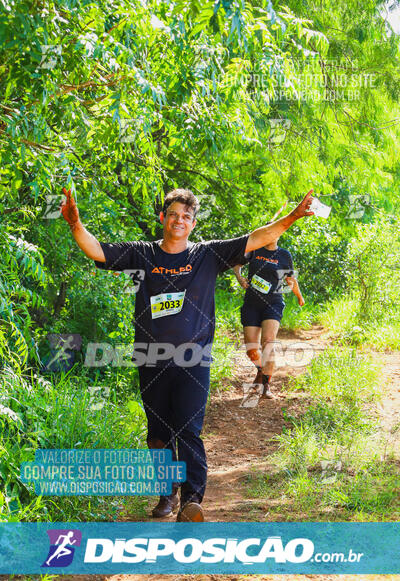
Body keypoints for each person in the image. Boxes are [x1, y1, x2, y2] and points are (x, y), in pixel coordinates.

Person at [60, 186, 314, 522]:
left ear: (193, 224)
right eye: (174, 214)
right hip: (151, 358)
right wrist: (76, 224)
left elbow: (257, 237)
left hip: (194, 359)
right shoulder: (143, 254)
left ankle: (191, 501)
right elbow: (98, 251)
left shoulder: (207, 255)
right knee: (158, 434)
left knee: (188, 430)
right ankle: (167, 495)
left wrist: (294, 216)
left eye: (187, 216)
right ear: (163, 218)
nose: (180, 220)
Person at [233, 227, 305, 401]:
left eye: (276, 231)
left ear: (279, 234)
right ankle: (260, 370)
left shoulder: (284, 255)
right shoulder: (255, 249)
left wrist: (299, 297)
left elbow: (290, 280)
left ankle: (265, 386)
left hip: (273, 303)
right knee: (251, 350)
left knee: (268, 342)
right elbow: (237, 265)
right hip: (252, 303)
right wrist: (239, 277)